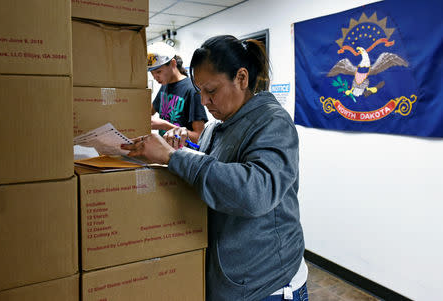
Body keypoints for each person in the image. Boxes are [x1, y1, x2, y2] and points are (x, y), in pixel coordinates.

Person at [123, 35, 308, 301]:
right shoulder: (215, 127)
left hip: (268, 287)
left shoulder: (273, 122)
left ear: (241, 78)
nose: (205, 102)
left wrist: (174, 159)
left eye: (211, 91)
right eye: (200, 91)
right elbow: (213, 177)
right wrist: (177, 151)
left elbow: (256, 191)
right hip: (231, 281)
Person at [147, 41, 208, 143]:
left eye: (159, 72)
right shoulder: (165, 85)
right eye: (152, 73)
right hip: (165, 150)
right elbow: (148, 112)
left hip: (183, 155)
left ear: (173, 64)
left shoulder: (192, 90)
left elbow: (199, 138)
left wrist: (164, 126)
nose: (155, 77)